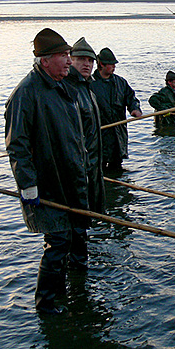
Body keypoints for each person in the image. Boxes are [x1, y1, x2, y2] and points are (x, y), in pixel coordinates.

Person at [5, 28, 100, 315]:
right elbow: (17, 146)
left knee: (71, 238)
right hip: (48, 185)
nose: (69, 61)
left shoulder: (62, 88)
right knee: (57, 243)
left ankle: (65, 294)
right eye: (63, 56)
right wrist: (28, 186)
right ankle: (45, 305)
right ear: (45, 60)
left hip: (71, 181)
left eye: (69, 55)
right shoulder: (26, 93)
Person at [64, 37, 106, 268]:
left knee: (82, 224)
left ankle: (78, 269)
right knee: (74, 227)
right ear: (70, 60)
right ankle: (77, 272)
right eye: (81, 59)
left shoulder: (87, 88)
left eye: (90, 60)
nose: (87, 64)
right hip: (76, 171)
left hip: (89, 167)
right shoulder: (67, 89)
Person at [89, 47, 143, 174]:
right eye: (111, 64)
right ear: (101, 64)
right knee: (99, 170)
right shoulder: (89, 84)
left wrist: (135, 109)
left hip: (118, 135)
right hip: (99, 138)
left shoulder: (120, 82)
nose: (114, 67)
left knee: (117, 169)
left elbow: (131, 98)